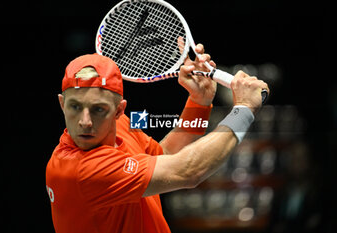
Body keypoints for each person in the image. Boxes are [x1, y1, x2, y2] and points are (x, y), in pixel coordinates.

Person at [46, 43, 269, 233]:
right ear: (61, 104)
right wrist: (244, 110)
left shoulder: (120, 127)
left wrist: (199, 103)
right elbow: (188, 171)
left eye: (98, 110)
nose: (85, 121)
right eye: (75, 107)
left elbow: (165, 155)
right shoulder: (79, 171)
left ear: (118, 111)